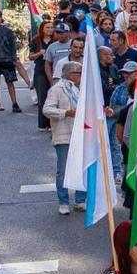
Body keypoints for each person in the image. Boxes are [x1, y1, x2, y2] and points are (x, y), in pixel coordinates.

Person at [43, 59, 85, 214]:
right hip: (64, 134)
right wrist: (65, 113)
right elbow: (47, 109)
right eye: (78, 73)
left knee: (82, 167)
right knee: (63, 169)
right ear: (69, 74)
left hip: (80, 133)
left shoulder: (81, 88)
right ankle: (63, 202)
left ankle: (80, 200)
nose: (81, 75)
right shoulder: (57, 89)